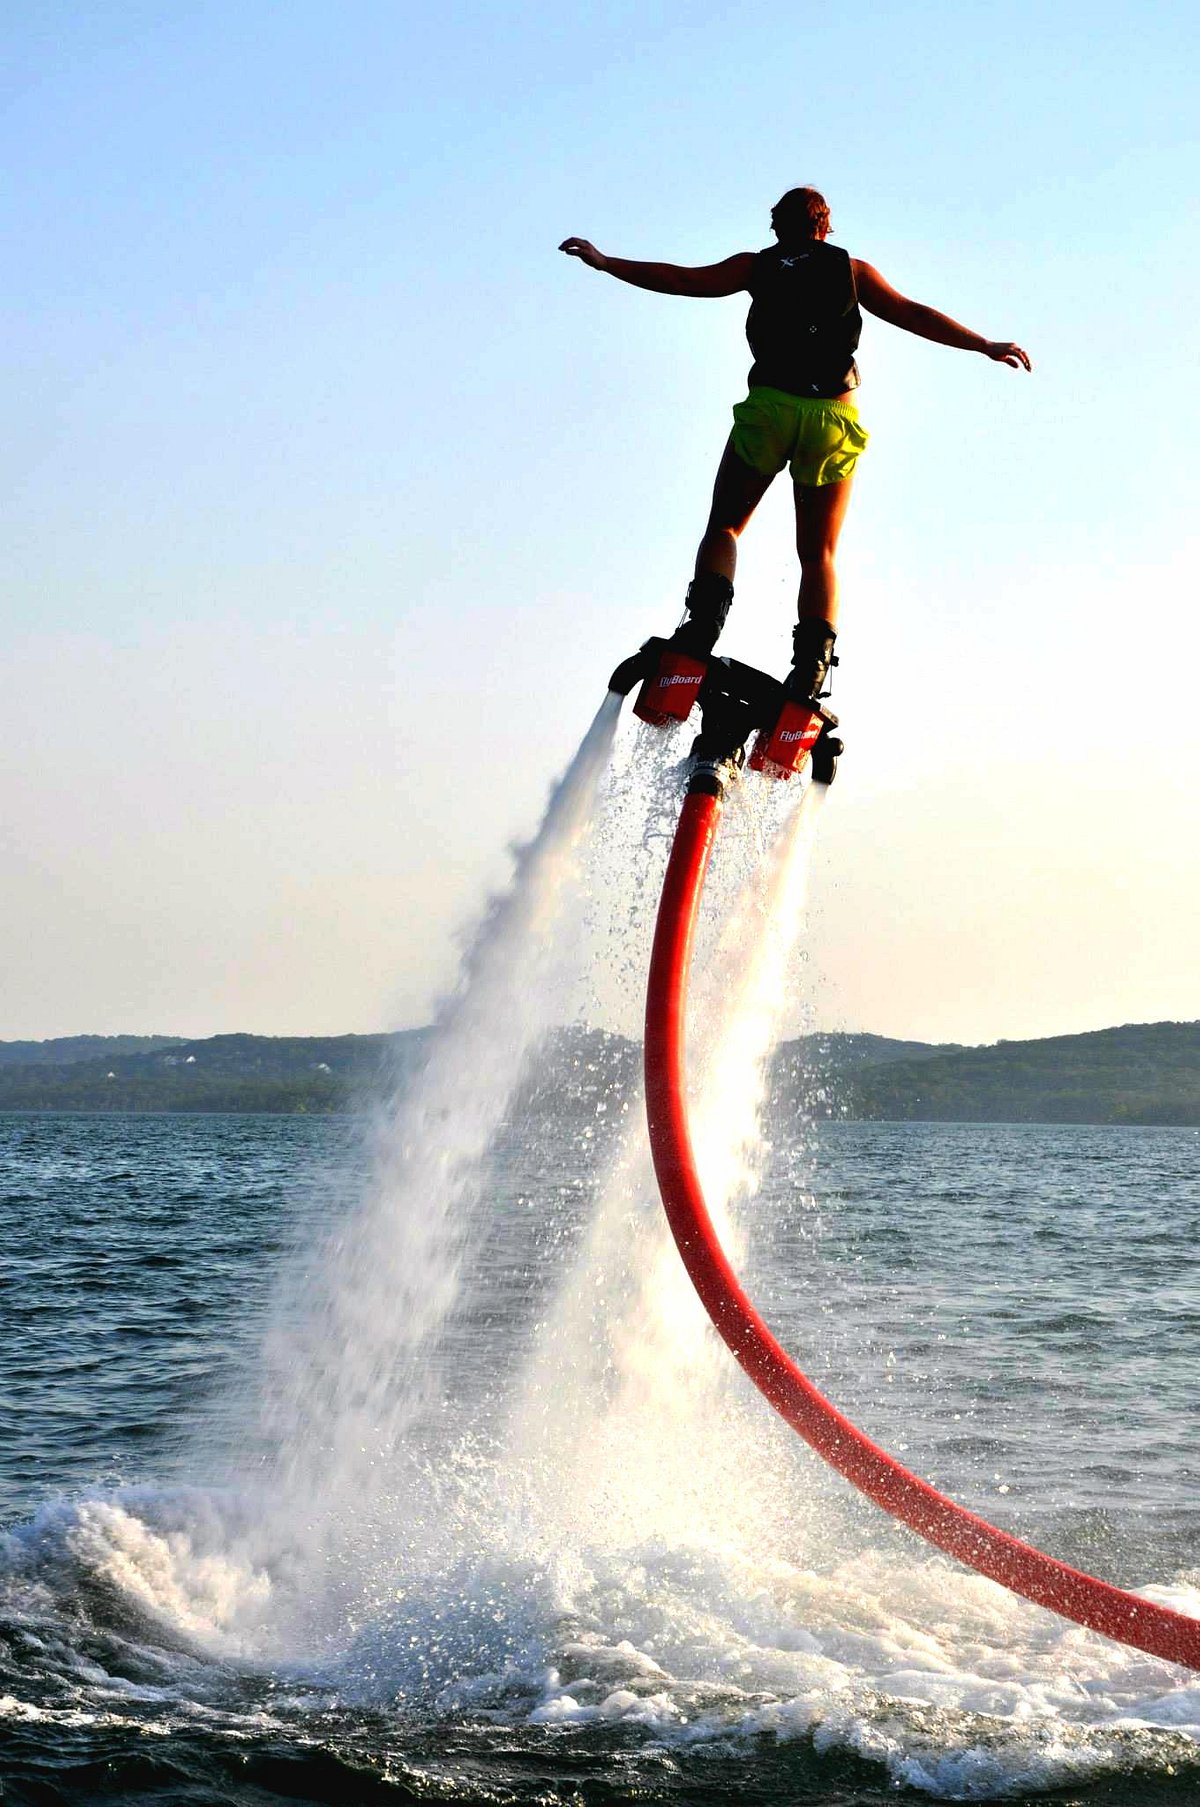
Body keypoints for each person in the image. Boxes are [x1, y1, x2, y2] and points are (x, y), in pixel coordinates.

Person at [560, 188, 1031, 705]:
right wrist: (984, 344)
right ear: (826, 228)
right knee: (819, 552)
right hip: (832, 418)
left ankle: (700, 633)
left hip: (771, 412)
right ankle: (810, 670)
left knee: (725, 527)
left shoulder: (755, 267)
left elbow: (680, 279)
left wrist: (606, 263)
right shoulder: (853, 270)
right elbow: (912, 313)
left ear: (775, 228)